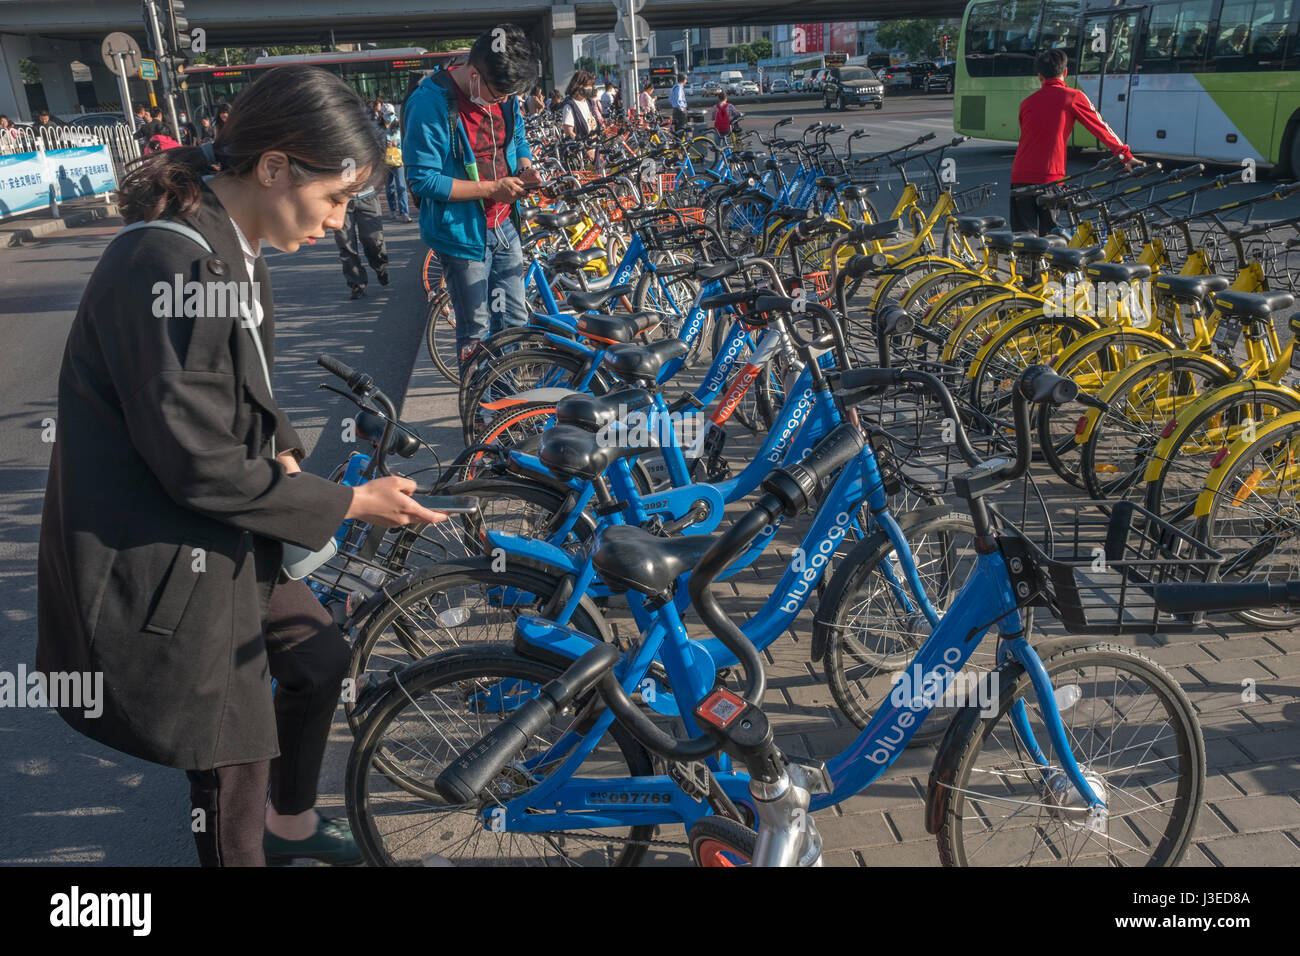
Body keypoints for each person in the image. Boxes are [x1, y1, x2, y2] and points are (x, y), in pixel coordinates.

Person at [37, 64, 448, 868]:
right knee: (232, 767)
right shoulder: (174, 265)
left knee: (319, 655)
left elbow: (242, 382)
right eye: (336, 199)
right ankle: (255, 837)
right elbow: (196, 463)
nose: (339, 224)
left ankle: (290, 826)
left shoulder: (225, 243)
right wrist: (347, 502)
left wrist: (291, 452)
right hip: (164, 556)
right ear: (273, 167)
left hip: (212, 536)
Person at [403, 24, 540, 369]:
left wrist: (525, 167)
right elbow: (423, 181)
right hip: (462, 236)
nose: (505, 101)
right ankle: (481, 416)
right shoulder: (429, 102)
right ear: (475, 75)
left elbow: (518, 138)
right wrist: (492, 188)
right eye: (499, 94)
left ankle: (507, 406)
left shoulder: (504, 95)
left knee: (512, 321)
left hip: (505, 226)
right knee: (476, 332)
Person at [1009, 48, 1139, 235]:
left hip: (1019, 176)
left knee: (1023, 241)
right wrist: (1125, 156)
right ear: (1065, 72)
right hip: (1049, 178)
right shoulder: (1073, 96)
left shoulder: (1027, 103)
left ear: (1039, 76)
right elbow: (1100, 127)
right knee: (1050, 240)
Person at [332, 184, 389, 298]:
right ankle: (357, 284)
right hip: (340, 200)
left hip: (367, 197)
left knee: (374, 240)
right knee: (345, 244)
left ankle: (380, 267)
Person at [382, 117, 412, 222]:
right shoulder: (379, 127)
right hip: (386, 161)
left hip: (398, 161)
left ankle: (404, 213)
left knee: (401, 186)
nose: (390, 117)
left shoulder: (399, 126)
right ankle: (392, 210)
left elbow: (406, 142)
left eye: (391, 114)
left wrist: (397, 144)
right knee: (389, 187)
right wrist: (385, 145)